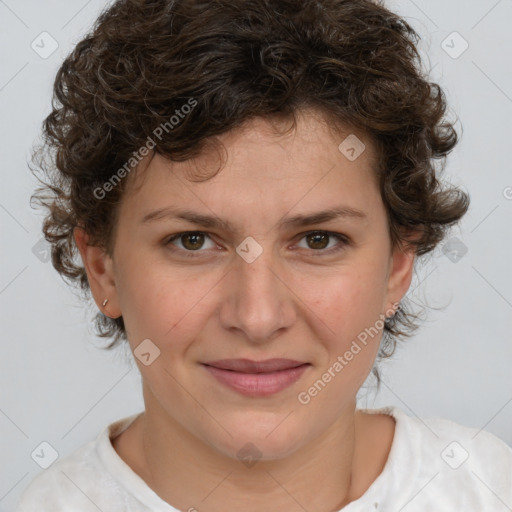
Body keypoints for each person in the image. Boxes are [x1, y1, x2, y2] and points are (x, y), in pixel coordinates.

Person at [17, 0, 512, 510]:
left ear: (398, 264)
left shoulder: (487, 489)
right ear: (103, 268)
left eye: (319, 239)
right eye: (193, 241)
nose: (257, 318)